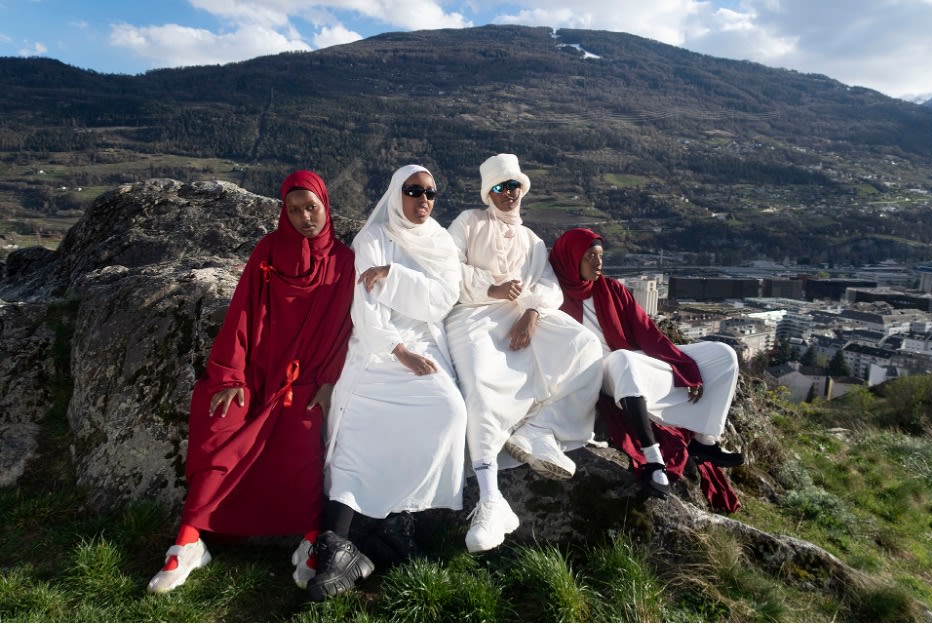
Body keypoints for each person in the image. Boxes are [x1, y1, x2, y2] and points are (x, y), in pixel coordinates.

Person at [147, 170, 356, 594]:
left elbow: (341, 328)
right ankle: (189, 541)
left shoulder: (343, 262)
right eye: (294, 210)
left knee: (301, 443)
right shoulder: (267, 252)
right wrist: (230, 375)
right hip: (253, 373)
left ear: (325, 206)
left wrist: (328, 380)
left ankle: (310, 540)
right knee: (220, 424)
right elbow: (242, 314)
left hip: (303, 380)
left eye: (310, 208)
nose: (304, 218)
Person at [306, 164, 468, 601]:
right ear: (397, 194)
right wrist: (396, 350)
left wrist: (394, 277)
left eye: (431, 193)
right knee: (356, 424)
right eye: (414, 191)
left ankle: (394, 523)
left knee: (448, 412)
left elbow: (440, 300)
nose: (423, 200)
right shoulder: (374, 238)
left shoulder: (441, 242)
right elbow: (366, 308)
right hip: (378, 347)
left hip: (425, 343)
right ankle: (338, 545)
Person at [445, 154, 603, 553]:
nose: (508, 194)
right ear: (487, 192)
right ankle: (490, 498)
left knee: (583, 345)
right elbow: (445, 270)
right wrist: (490, 289)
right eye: (499, 187)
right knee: (482, 384)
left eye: (513, 186)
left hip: (520, 313)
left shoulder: (532, 239)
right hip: (473, 315)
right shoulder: (468, 223)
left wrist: (531, 312)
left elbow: (549, 286)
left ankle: (540, 429)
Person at [548, 228, 743, 510]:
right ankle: (653, 459)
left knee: (723, 355)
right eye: (590, 256)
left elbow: (648, 332)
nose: (599, 263)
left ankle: (705, 440)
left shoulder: (612, 289)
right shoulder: (554, 299)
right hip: (600, 373)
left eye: (601, 256)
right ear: (571, 258)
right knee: (623, 359)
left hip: (635, 361)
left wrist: (683, 365)